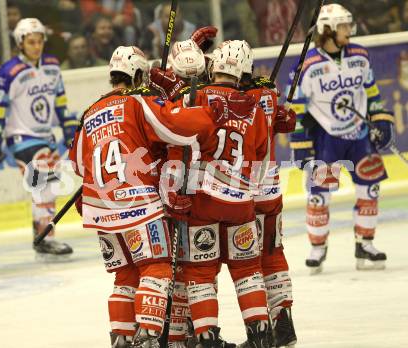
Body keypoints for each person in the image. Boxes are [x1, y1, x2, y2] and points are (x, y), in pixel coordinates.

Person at [68, 45, 255, 348]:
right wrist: (207, 114)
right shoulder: (137, 101)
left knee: (125, 278)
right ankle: (149, 338)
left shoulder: (90, 112)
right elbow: (176, 128)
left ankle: (121, 338)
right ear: (139, 74)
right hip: (139, 204)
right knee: (156, 266)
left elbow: (77, 163)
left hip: (100, 208)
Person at [151, 39, 271, 347]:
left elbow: (174, 134)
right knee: (247, 269)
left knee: (201, 271)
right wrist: (248, 192)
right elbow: (260, 154)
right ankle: (261, 334)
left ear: (213, 66)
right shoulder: (254, 109)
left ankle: (206, 337)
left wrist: (171, 93)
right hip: (241, 202)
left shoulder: (199, 98)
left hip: (203, 201)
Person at [288, 4, 394, 274]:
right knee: (319, 195)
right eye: (344, 25)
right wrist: (301, 144)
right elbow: (297, 108)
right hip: (327, 139)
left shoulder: (360, 55)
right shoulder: (308, 65)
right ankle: (317, 247)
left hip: (359, 137)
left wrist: (380, 117)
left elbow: (371, 91)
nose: (350, 29)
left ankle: (365, 243)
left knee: (369, 189)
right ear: (328, 31)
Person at [0, 18, 78, 260]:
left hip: (44, 137)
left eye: (39, 41)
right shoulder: (8, 72)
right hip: (21, 138)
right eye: (31, 42)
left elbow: (60, 101)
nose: (36, 46)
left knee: (48, 187)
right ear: (20, 43)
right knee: (44, 183)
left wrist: (67, 128)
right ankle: (45, 238)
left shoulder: (53, 66)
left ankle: (42, 237)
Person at [239, 41, 298, 348]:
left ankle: (260, 330)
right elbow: (284, 120)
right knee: (273, 253)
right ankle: (283, 319)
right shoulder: (269, 91)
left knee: (247, 261)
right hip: (271, 187)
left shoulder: (229, 96)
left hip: (241, 193)